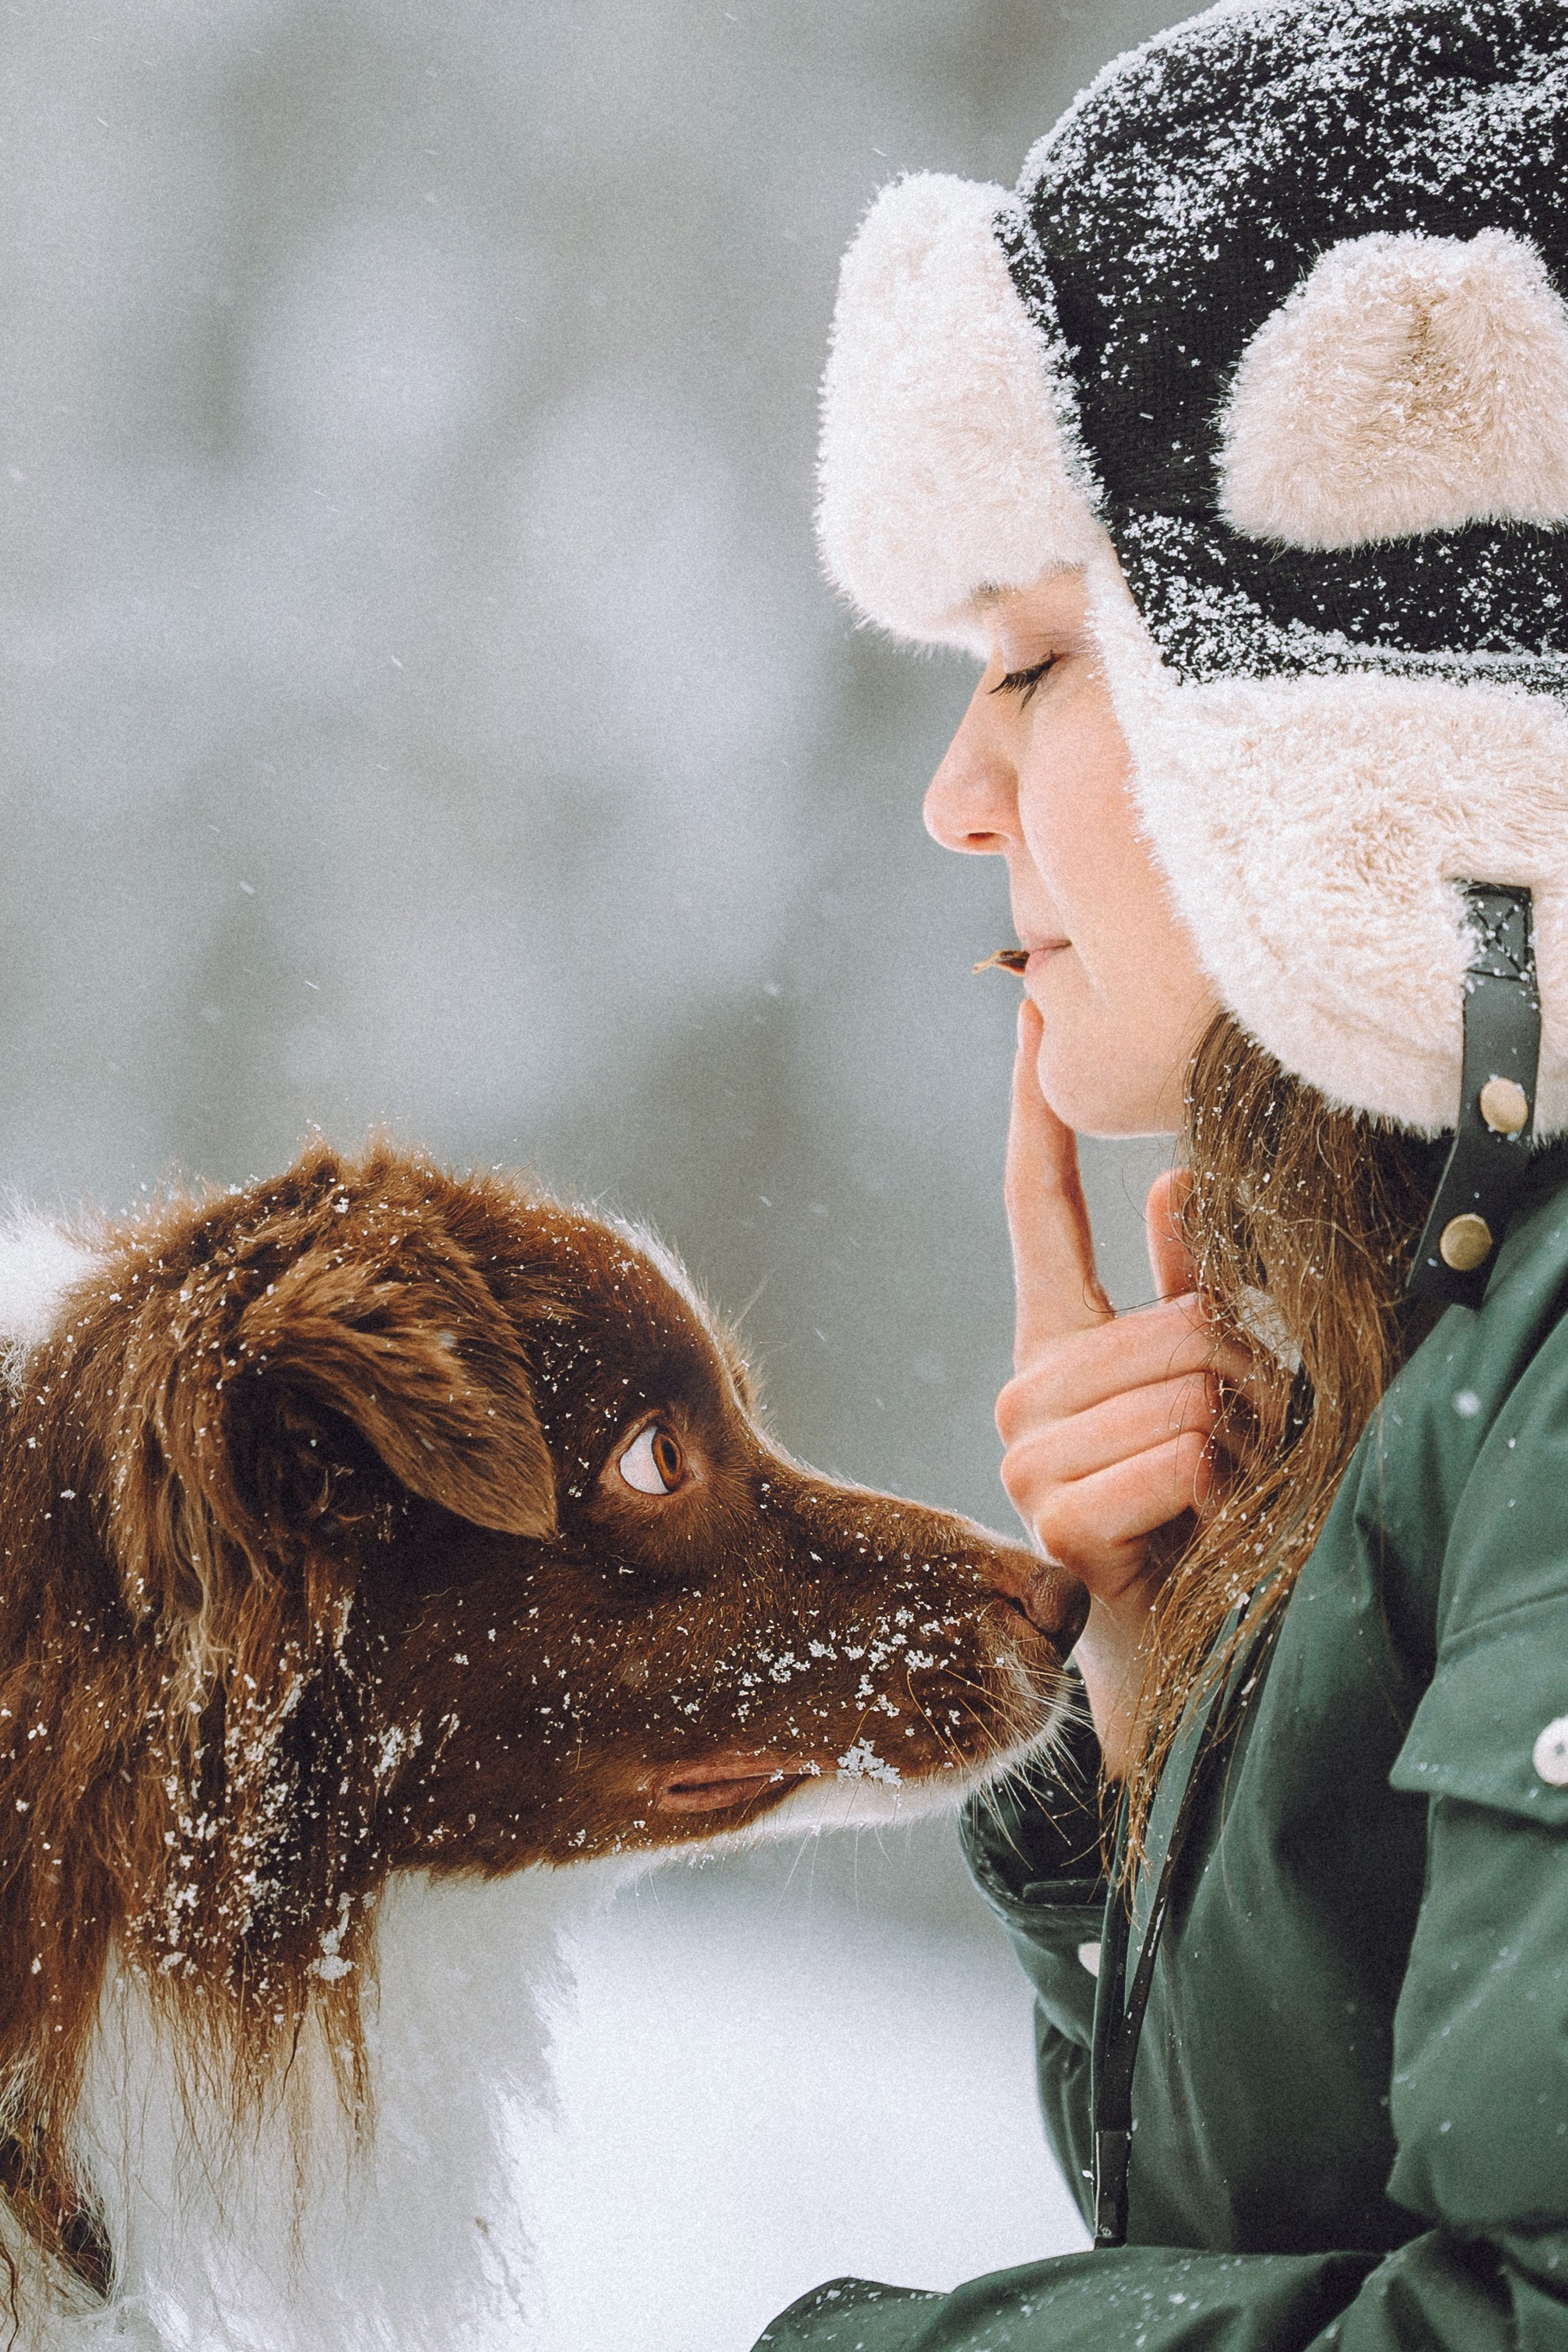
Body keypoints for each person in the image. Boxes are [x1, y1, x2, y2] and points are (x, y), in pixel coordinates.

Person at [751, 2, 1568, 2345]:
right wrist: (1152, 1696)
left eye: (1028, 663)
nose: (955, 796)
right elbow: (1285, 2216)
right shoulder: (1439, 1335)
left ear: (1360, 713)